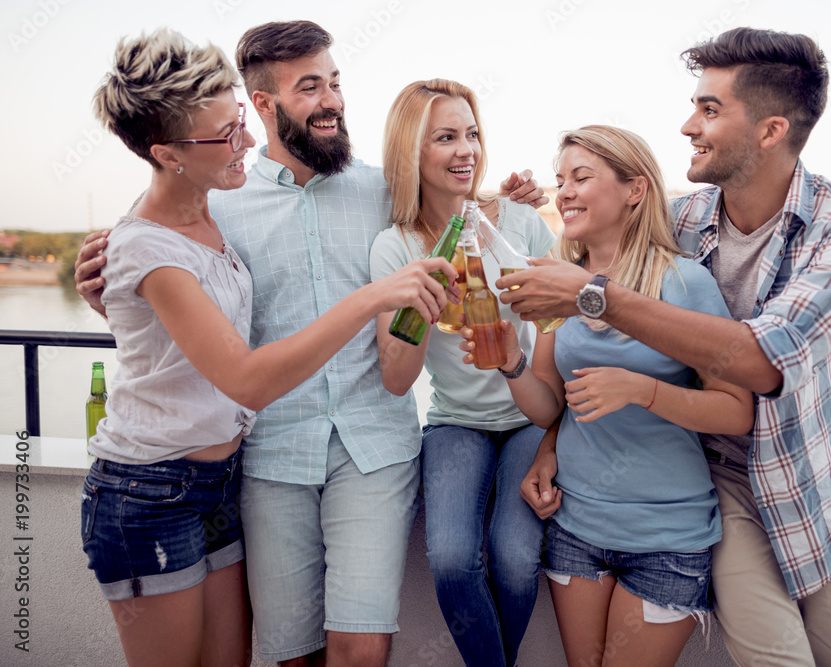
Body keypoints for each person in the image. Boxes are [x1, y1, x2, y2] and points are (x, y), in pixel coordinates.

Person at [74, 21, 547, 667]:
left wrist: (510, 195)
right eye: (308, 88)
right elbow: (152, 252)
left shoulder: (383, 189)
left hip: (371, 446)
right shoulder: (220, 194)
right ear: (262, 104)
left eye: (335, 82)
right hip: (270, 452)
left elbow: (450, 198)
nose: (331, 100)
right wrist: (100, 283)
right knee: (294, 654)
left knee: (359, 651)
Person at [499, 28, 831, 667]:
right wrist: (553, 440)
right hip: (710, 476)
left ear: (770, 131)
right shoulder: (680, 220)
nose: (688, 124)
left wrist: (590, 296)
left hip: (808, 475)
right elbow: (593, 259)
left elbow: (763, 362)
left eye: (710, 109)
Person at [460, 124, 754, 666]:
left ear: (634, 190)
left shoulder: (683, 283)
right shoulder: (557, 281)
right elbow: (551, 407)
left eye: (581, 178)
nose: (564, 191)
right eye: (559, 180)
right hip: (575, 525)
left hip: (667, 536)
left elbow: (736, 410)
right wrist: (511, 362)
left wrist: (644, 391)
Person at [369, 79, 555, 667]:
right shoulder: (394, 246)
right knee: (451, 560)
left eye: (471, 135)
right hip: (455, 422)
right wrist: (424, 297)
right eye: (445, 138)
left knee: (516, 555)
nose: (466, 150)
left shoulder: (519, 220)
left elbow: (560, 323)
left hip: (532, 415)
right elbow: (398, 381)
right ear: (411, 154)